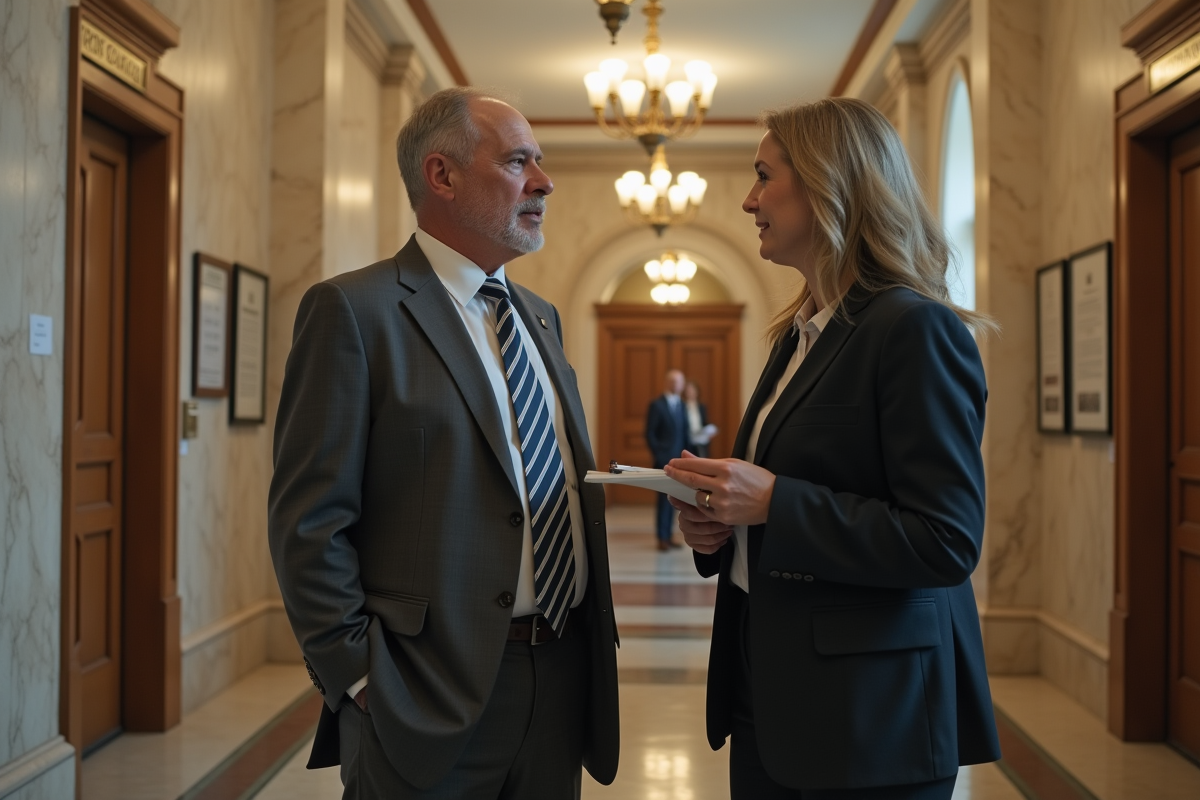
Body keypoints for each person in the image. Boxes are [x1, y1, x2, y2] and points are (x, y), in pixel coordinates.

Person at [268, 87, 619, 799]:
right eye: (519, 161)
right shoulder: (354, 311)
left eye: (540, 163)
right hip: (421, 691)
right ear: (443, 175)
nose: (545, 183)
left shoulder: (539, 318)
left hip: (559, 679)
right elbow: (309, 521)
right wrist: (359, 677)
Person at [663, 97, 1001, 799]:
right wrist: (717, 528)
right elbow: (777, 503)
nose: (750, 199)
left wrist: (776, 503)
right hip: (770, 689)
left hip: (870, 716)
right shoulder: (798, 335)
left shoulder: (913, 329)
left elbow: (943, 540)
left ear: (828, 183)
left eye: (764, 175)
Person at [645, 369, 688, 551]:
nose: (676, 385)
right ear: (667, 383)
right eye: (673, 381)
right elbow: (649, 433)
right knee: (664, 500)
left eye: (679, 382)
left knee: (674, 500)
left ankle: (669, 536)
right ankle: (661, 538)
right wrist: (659, 453)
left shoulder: (682, 405)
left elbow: (684, 433)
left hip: (679, 461)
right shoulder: (657, 405)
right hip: (663, 461)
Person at [683, 380, 717, 458]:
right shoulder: (682, 406)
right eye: (688, 390)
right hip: (688, 441)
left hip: (702, 440)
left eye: (692, 390)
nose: (690, 392)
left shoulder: (701, 406)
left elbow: (704, 422)